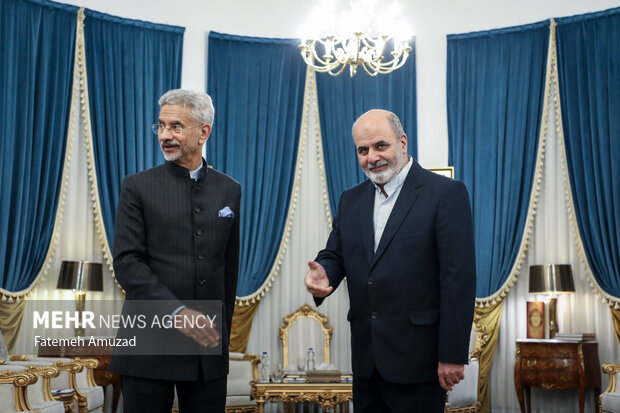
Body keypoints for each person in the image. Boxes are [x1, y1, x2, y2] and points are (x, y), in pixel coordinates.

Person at [305, 109, 476, 412]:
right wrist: (325, 275)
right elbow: (336, 254)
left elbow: (458, 281)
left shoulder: (445, 194)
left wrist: (452, 353)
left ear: (402, 142)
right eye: (363, 150)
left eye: (380, 146)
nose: (372, 157)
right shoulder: (350, 199)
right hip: (366, 363)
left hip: (420, 363)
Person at [110, 89, 241, 412]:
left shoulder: (230, 190)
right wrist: (178, 313)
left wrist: (220, 339)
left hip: (206, 353)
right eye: (161, 126)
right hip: (149, 346)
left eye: (176, 127)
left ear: (203, 132)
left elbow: (229, 270)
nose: (165, 135)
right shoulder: (136, 186)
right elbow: (128, 263)